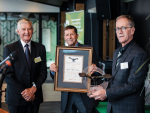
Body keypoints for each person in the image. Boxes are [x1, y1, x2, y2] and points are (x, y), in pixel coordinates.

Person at [89, 15, 148, 113]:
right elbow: (116, 80)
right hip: (113, 106)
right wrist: (104, 87)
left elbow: (133, 85)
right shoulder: (117, 52)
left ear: (132, 30)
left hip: (129, 108)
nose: (119, 32)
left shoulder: (139, 54)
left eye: (123, 28)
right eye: (117, 28)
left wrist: (106, 93)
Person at [50, 25, 99, 113]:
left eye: (72, 34)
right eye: (67, 35)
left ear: (77, 35)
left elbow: (98, 72)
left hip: (84, 95)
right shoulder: (61, 52)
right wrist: (53, 71)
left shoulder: (88, 50)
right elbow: (57, 76)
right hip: (67, 95)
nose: (69, 37)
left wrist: (94, 69)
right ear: (64, 37)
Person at [3, 18, 47, 113]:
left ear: (32, 30)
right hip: (16, 97)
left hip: (34, 97)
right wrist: (25, 92)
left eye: (29, 29)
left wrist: (33, 89)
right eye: (23, 29)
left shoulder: (40, 48)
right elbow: (8, 74)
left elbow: (43, 72)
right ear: (18, 31)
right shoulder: (10, 49)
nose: (26, 32)